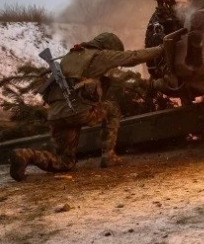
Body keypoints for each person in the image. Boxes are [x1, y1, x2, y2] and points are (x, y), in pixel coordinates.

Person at [9, 33, 164, 181]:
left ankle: (25, 155)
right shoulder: (100, 56)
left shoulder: (70, 56)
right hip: (79, 112)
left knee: (65, 162)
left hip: (56, 115)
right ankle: (108, 156)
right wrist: (161, 48)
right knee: (112, 109)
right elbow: (133, 56)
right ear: (108, 47)